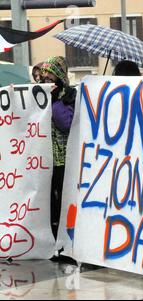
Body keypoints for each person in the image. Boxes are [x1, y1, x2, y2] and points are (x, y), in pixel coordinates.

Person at [39, 56, 77, 240]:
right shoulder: (39, 95)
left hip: (62, 160)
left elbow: (65, 124)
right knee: (47, 201)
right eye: (43, 76)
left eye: (50, 76)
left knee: (61, 198)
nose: (45, 79)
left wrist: (54, 102)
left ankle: (62, 236)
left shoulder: (68, 97)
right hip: (43, 160)